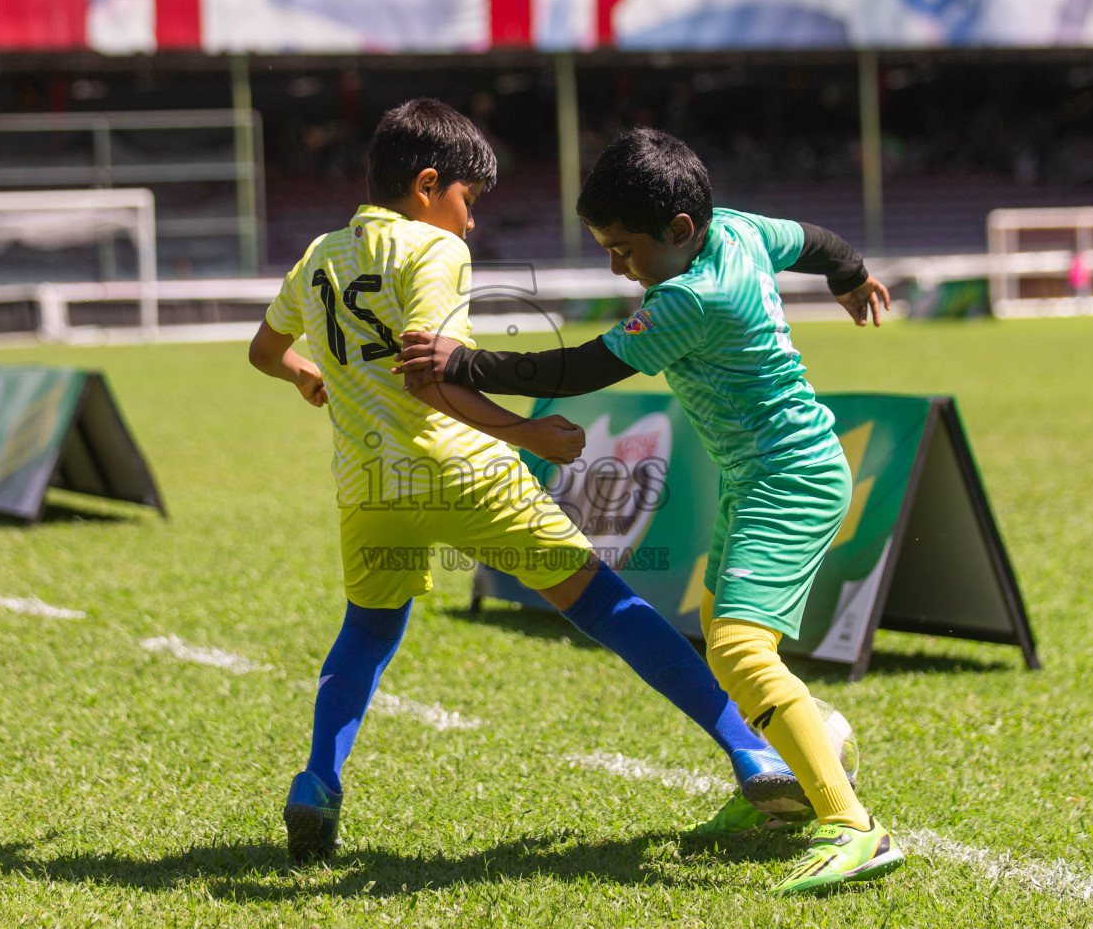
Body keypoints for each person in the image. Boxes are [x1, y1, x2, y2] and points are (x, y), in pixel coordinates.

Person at [248, 100, 805, 864]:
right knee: (609, 603)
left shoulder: (319, 255)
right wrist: (533, 431)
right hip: (458, 470)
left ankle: (316, 781)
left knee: (367, 632)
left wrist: (306, 369)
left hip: (366, 487)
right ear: (428, 184)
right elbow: (429, 375)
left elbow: (263, 348)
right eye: (467, 202)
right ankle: (754, 755)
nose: (469, 223)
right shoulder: (432, 252)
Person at [393, 127, 902, 895]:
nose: (614, 265)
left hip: (789, 481)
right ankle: (797, 785)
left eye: (623, 249)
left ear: (681, 231)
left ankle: (851, 824)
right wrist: (850, 275)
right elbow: (818, 241)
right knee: (729, 643)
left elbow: (576, 368)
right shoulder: (738, 229)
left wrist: (460, 360)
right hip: (756, 477)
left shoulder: (689, 300)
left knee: (736, 649)